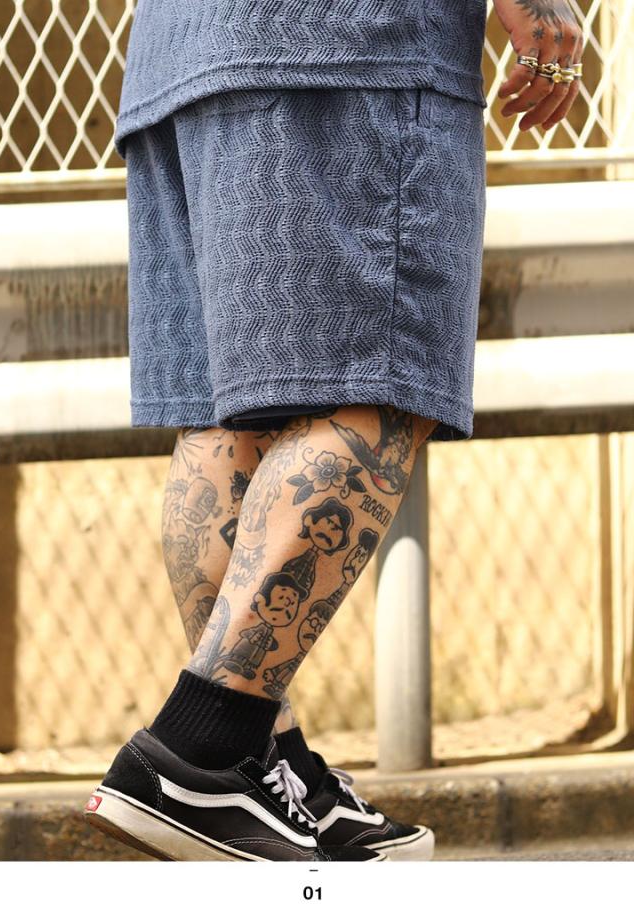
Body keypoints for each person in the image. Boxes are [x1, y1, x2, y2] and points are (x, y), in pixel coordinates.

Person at [84, 0, 583, 861]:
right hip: (348, 45)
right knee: (377, 386)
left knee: (235, 419)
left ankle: (264, 764)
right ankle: (199, 755)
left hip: (181, 54)